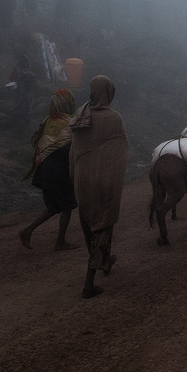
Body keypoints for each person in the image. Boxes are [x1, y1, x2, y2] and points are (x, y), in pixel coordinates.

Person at [69, 76, 129, 299]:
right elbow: (119, 151)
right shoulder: (114, 118)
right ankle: (88, 283)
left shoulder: (80, 116)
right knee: (101, 227)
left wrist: (74, 176)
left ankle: (105, 261)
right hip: (104, 182)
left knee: (88, 224)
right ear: (108, 93)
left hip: (82, 181)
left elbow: (73, 153)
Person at [20, 89, 78, 251]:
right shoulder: (69, 123)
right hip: (58, 173)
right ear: (65, 104)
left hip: (44, 171)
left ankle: (27, 230)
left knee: (53, 207)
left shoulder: (47, 121)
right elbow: (70, 150)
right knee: (67, 206)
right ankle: (60, 242)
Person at [10, 54, 37, 133]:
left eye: (24, 62)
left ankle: (25, 124)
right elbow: (11, 78)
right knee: (19, 107)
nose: (23, 63)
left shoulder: (29, 70)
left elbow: (34, 80)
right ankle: (18, 124)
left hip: (27, 93)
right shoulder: (17, 70)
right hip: (19, 92)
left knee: (27, 107)